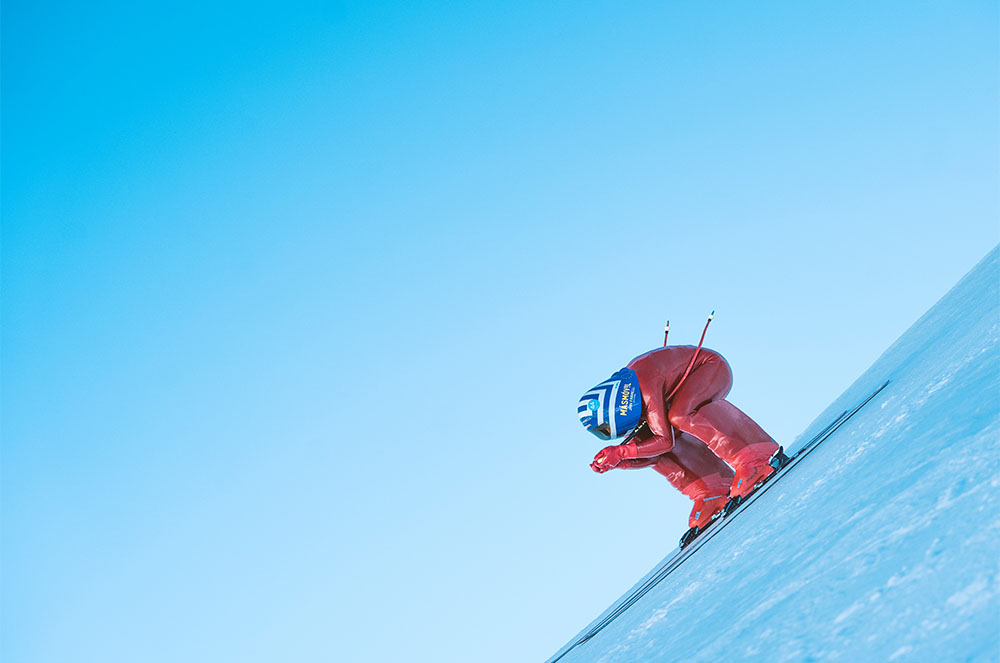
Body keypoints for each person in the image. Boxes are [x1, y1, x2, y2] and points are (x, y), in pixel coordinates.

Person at [577, 345, 780, 531]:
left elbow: (665, 441)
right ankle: (712, 487)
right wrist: (624, 461)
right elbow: (656, 451)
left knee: (679, 415)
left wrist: (621, 452)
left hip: (710, 368)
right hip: (679, 394)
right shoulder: (632, 391)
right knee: (644, 439)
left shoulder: (644, 383)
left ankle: (756, 455)